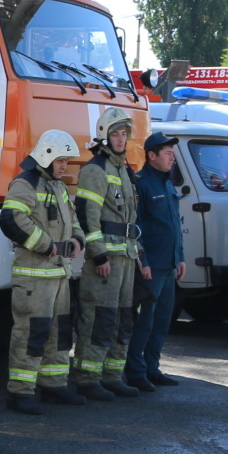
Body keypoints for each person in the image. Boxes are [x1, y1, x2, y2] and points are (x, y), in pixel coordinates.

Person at [0, 129, 84, 412]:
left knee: (60, 332)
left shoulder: (58, 187)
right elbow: (11, 217)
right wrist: (46, 245)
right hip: (34, 277)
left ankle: (54, 386)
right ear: (46, 156)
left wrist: (77, 240)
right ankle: (20, 393)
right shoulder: (26, 182)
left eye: (66, 161)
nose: (64, 166)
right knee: (31, 333)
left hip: (58, 275)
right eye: (61, 160)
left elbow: (73, 220)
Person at [72, 107, 141, 396]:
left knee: (123, 318)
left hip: (126, 257)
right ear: (104, 136)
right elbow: (88, 216)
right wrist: (98, 255)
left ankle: (113, 376)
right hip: (106, 261)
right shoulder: (95, 170)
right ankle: (88, 380)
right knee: (99, 317)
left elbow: (131, 219)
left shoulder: (123, 169)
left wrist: (138, 255)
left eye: (124, 133)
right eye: (115, 133)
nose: (121, 139)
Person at [124, 132, 186, 387]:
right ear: (152, 155)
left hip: (168, 265)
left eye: (172, 153)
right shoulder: (141, 183)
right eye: (168, 153)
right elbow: (136, 225)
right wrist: (143, 259)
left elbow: (173, 224)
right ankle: (136, 372)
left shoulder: (166, 182)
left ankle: (152, 368)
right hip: (151, 267)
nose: (173, 158)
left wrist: (180, 257)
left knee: (162, 320)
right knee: (145, 322)